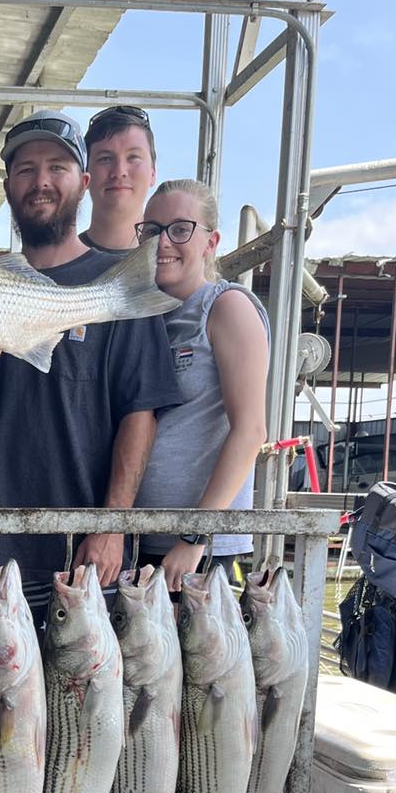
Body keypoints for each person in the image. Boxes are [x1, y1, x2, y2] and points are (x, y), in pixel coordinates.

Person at [0, 109, 182, 618]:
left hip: (86, 559)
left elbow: (140, 412)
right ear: (7, 186)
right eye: (25, 170)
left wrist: (112, 525)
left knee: (89, 696)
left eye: (57, 168)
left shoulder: (117, 285)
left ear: (83, 183)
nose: (41, 182)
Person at [134, 179, 269, 591]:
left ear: (211, 241)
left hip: (198, 552)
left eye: (180, 229)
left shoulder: (226, 307)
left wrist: (195, 536)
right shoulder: (143, 316)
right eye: (152, 230)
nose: (163, 242)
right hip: (136, 539)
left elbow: (251, 431)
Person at [78, 104, 157, 255]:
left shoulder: (170, 267)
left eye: (133, 157)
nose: (119, 172)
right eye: (105, 159)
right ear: (85, 175)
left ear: (153, 173)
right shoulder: (57, 261)